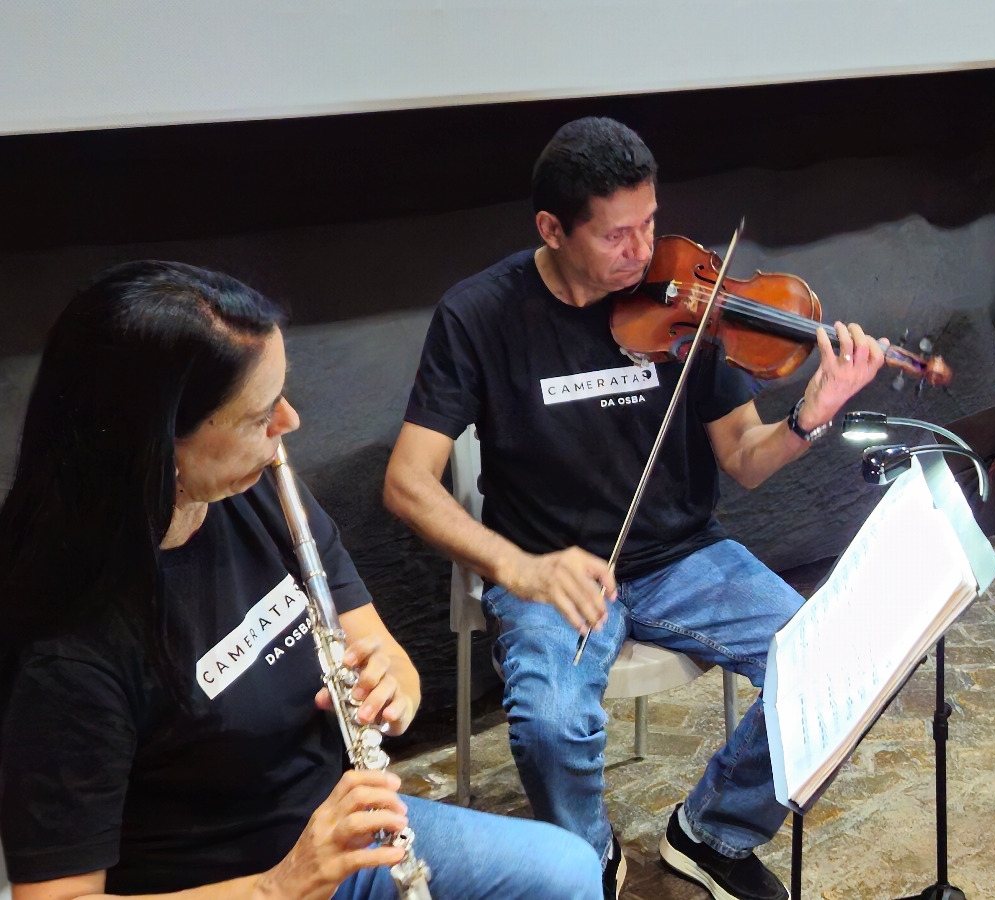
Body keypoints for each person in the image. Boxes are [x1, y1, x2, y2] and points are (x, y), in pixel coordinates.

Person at [384, 116, 887, 900]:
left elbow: (744, 462)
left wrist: (808, 417)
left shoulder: (690, 301)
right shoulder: (479, 314)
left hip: (685, 557)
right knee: (550, 725)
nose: (645, 251)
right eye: (618, 235)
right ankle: (585, 862)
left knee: (838, 669)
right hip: (550, 570)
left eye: (650, 222)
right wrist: (523, 568)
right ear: (553, 229)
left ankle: (713, 832)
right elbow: (407, 481)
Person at [0, 262, 601, 900]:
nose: (288, 423)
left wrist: (392, 690)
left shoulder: (255, 490)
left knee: (566, 871)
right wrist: (279, 888)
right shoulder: (66, 646)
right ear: (157, 441)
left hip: (340, 831)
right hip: (234, 885)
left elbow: (389, 658)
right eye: (259, 415)